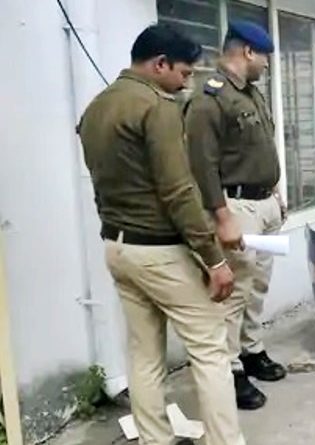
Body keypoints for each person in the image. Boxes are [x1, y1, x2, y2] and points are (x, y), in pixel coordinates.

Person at [78, 24, 245, 445]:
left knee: (144, 353)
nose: (186, 83)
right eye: (184, 73)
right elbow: (178, 190)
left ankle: (155, 439)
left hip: (117, 246)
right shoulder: (156, 106)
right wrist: (214, 259)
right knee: (210, 347)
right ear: (160, 64)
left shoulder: (97, 106)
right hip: (158, 250)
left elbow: (100, 181)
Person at [184, 20, 287, 411]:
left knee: (257, 284)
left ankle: (251, 349)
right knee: (234, 292)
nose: (267, 64)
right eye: (264, 56)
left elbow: (259, 148)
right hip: (236, 207)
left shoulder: (251, 93)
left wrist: (275, 192)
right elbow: (202, 164)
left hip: (264, 204)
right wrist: (221, 215)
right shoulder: (210, 98)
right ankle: (230, 369)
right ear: (247, 51)